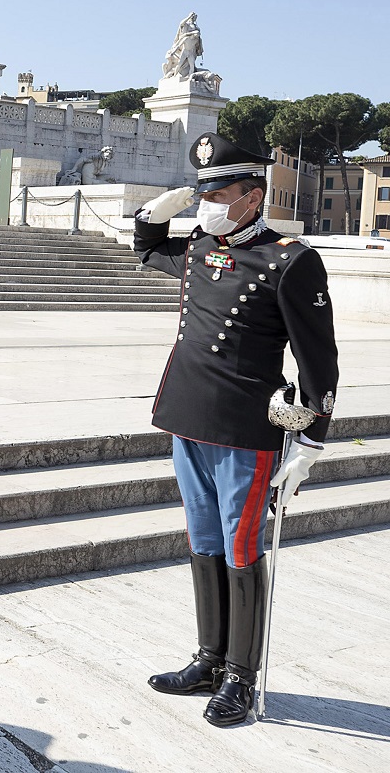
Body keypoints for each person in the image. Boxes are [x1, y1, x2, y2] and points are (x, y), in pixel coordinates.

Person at [134, 132, 338, 727]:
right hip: (187, 417)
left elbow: (318, 359)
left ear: (252, 195)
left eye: (217, 192)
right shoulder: (200, 246)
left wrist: (312, 438)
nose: (206, 204)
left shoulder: (290, 260)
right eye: (201, 193)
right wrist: (154, 215)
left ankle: (242, 679)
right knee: (203, 543)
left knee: (241, 549)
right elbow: (148, 251)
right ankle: (209, 659)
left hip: (244, 431)